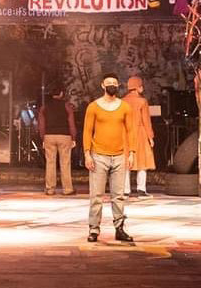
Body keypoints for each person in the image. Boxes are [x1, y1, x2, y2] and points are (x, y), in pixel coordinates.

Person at [83, 73, 136, 243]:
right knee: (96, 196)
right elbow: (87, 131)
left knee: (118, 195)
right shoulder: (93, 107)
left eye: (114, 83)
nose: (112, 85)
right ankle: (93, 229)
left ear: (118, 85)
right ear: (102, 85)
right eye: (109, 83)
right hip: (98, 156)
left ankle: (119, 228)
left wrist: (132, 153)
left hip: (119, 156)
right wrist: (87, 154)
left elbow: (130, 130)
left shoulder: (124, 107)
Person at [37, 83, 76, 196]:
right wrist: (73, 137)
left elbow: (41, 124)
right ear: (61, 94)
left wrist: (43, 137)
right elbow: (71, 123)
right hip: (64, 136)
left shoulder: (44, 107)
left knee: (50, 163)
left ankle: (50, 189)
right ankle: (68, 189)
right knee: (65, 163)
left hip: (49, 136)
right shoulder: (66, 106)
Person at [123, 76, 156, 198]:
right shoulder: (142, 101)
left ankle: (125, 191)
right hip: (140, 133)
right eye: (141, 86)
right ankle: (141, 190)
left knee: (126, 162)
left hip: (126, 134)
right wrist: (150, 137)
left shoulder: (122, 101)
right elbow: (146, 121)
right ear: (138, 87)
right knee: (142, 161)